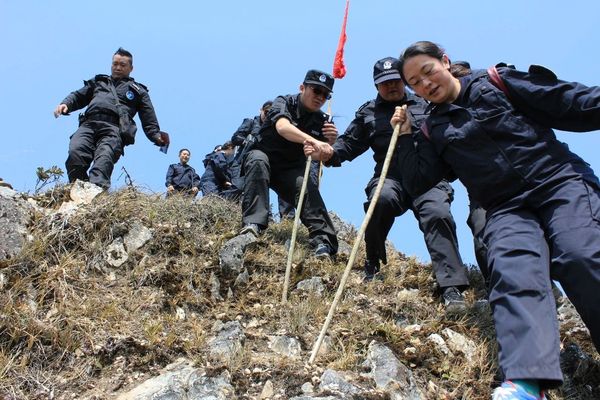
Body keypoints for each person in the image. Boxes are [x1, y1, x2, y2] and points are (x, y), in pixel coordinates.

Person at [393, 40, 600, 399]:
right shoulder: (432, 129)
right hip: (505, 208)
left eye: (427, 72)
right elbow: (418, 180)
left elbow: (568, 101)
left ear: (444, 61)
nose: (425, 85)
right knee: (512, 272)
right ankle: (524, 382)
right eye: (415, 83)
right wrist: (409, 133)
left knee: (580, 257)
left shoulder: (495, 81)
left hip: (559, 182)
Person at [305, 57, 470, 308]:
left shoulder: (427, 102)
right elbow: (349, 143)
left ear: (404, 80)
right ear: (376, 85)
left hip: (429, 177)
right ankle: (373, 261)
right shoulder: (368, 112)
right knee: (379, 200)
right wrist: (329, 153)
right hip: (390, 176)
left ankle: (451, 288)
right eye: (384, 83)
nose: (391, 86)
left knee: (437, 214)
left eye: (395, 80)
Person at [240, 69, 339, 258]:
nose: (320, 97)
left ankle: (323, 243)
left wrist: (329, 144)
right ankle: (253, 225)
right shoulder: (283, 102)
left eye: (326, 95)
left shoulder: (322, 121)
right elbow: (283, 127)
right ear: (302, 88)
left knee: (305, 186)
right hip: (265, 157)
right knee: (258, 161)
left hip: (290, 169)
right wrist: (315, 141)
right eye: (316, 91)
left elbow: (323, 157)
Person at [54, 48, 167, 189]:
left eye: (123, 65)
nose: (118, 67)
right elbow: (78, 96)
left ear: (131, 68)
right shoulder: (99, 82)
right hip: (88, 124)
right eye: (115, 64)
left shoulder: (138, 91)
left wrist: (155, 136)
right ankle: (78, 190)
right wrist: (66, 104)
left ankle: (97, 193)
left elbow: (148, 117)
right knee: (75, 153)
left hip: (113, 130)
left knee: (104, 159)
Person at [230, 100, 296, 218]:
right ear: (261, 110)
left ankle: (287, 219)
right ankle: (228, 211)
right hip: (244, 162)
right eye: (266, 112)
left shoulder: (276, 127)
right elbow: (235, 138)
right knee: (238, 188)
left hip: (268, 163)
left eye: (271, 113)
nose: (267, 115)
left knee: (284, 187)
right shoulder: (250, 122)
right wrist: (248, 142)